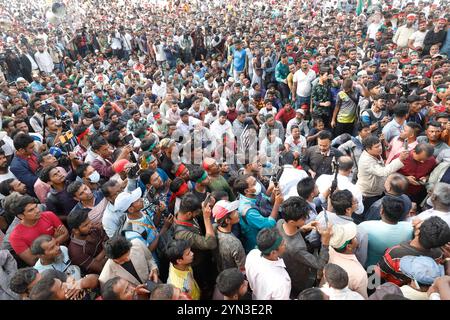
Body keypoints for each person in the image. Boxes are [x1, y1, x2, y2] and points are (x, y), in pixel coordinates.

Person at [277, 196, 331, 297]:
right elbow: (319, 264)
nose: (306, 219)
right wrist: (325, 242)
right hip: (298, 280)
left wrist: (302, 229)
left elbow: (289, 235)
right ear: (292, 222)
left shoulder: (280, 223)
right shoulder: (296, 248)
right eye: (303, 218)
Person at [376, 216, 450, 286]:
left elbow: (379, 274)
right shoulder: (439, 255)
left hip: (395, 289)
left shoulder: (394, 254)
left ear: (417, 231)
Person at [9, 195, 69, 266]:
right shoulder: (15, 237)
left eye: (36, 206)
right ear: (21, 216)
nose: (37, 210)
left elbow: (66, 235)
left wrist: (46, 250)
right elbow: (32, 260)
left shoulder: (49, 215)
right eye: (31, 210)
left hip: (66, 254)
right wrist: (55, 238)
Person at [358, 196, 414, 268]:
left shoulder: (365, 226)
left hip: (370, 266)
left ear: (381, 211)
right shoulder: (410, 227)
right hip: (392, 267)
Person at [233, 174, 283, 253]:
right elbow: (269, 224)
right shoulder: (248, 211)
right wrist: (277, 203)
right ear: (246, 191)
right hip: (258, 245)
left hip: (266, 230)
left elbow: (269, 201)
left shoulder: (254, 194)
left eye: (256, 181)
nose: (258, 184)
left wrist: (274, 193)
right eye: (254, 184)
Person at [357, 136, 408, 211]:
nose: (380, 148)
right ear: (368, 149)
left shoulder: (375, 154)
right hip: (368, 195)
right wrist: (400, 159)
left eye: (380, 145)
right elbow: (383, 172)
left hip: (378, 191)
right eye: (376, 147)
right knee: (370, 213)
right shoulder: (366, 160)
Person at [245, 227, 291, 300]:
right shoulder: (281, 282)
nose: (285, 243)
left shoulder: (252, 254)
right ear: (273, 252)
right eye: (282, 243)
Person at [328, 223, 369, 299]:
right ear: (349, 246)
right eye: (354, 238)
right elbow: (362, 297)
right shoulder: (360, 274)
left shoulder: (328, 250)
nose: (356, 238)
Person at [67, 208, 108, 275]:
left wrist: (99, 257)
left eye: (89, 221)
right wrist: (106, 250)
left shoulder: (92, 229)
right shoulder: (75, 252)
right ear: (75, 231)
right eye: (85, 225)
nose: (90, 225)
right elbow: (100, 267)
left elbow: (108, 239)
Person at [212, 200, 246, 273]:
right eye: (234, 212)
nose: (237, 212)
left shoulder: (213, 229)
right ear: (227, 221)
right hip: (234, 276)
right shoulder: (235, 243)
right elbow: (243, 268)